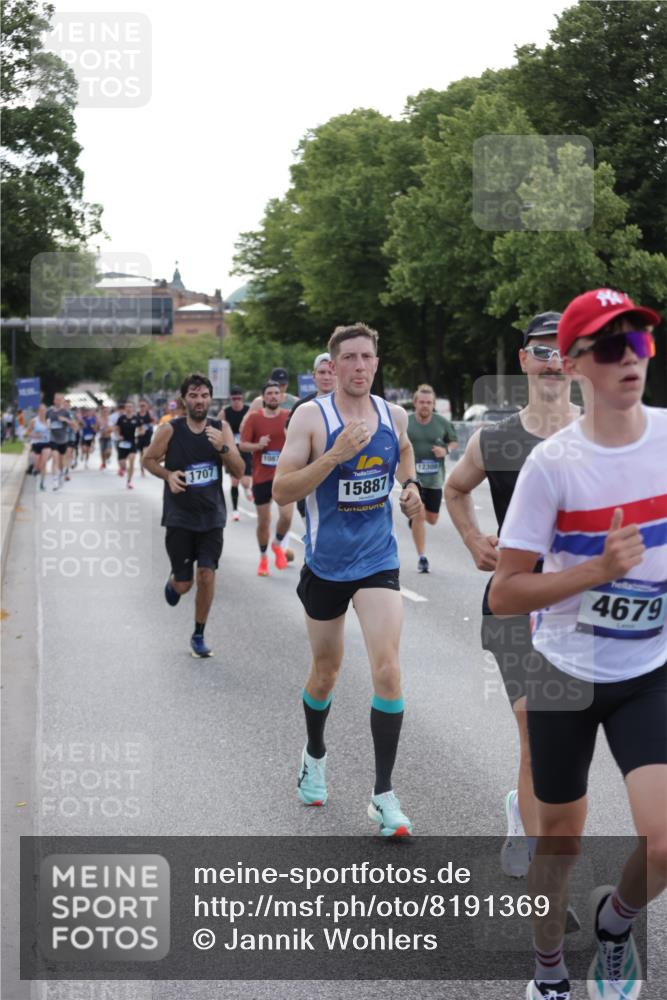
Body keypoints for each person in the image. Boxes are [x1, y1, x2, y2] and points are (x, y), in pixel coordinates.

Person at [489, 289, 665, 1000]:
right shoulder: (552, 466)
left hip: (648, 670)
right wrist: (597, 570)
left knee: (663, 840)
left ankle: (615, 925)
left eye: (640, 342)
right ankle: (548, 971)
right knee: (558, 840)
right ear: (575, 364)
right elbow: (504, 593)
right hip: (563, 670)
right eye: (610, 346)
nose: (630, 358)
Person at [273, 322, 423, 837]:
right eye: (349, 358)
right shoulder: (311, 418)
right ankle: (314, 753)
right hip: (326, 565)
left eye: (367, 357)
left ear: (376, 364)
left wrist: (409, 486)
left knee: (387, 670)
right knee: (327, 672)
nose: (359, 366)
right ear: (333, 366)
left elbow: (403, 451)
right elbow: (281, 491)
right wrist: (334, 455)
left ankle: (383, 795)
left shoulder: (392, 414)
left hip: (379, 560)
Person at [445, 312, 580, 878]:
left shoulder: (601, 434)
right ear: (523, 359)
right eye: (540, 351)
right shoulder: (495, 438)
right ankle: (547, 877)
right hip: (517, 608)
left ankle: (523, 816)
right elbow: (454, 488)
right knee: (536, 736)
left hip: (584, 613)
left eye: (562, 351)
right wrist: (475, 538)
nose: (551, 361)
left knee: (568, 750)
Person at [143, 373, 244, 657]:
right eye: (194, 396)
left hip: (212, 517)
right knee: (185, 584)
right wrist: (167, 474)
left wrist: (222, 447)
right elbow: (148, 460)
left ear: (210, 399)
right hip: (180, 518)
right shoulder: (170, 430)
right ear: (184, 399)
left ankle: (198, 634)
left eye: (204, 396)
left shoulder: (220, 428)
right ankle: (175, 582)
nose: (199, 401)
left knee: (207, 575)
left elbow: (238, 471)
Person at [240, 381, 293, 575]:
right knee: (263, 522)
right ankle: (263, 559)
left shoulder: (288, 417)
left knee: (287, 517)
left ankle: (277, 545)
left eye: (276, 393)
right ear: (263, 398)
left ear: (281, 397)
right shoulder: (254, 418)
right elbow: (243, 445)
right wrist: (258, 445)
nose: (273, 396)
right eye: (269, 393)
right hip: (261, 476)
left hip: (284, 476)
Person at [407, 383, 458, 573]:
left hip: (435, 479)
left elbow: (453, 442)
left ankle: (415, 521)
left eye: (429, 402)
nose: (425, 406)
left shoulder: (442, 423)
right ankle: (422, 558)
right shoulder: (407, 422)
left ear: (434, 404)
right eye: (421, 402)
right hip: (413, 478)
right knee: (419, 514)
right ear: (415, 403)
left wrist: (445, 450)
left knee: (432, 518)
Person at [288, 352, 337, 521]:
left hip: (342, 485)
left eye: (331, 372)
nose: (327, 377)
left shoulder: (350, 406)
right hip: (310, 484)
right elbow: (289, 440)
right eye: (322, 372)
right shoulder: (302, 408)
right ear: (314, 376)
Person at [221, 386, 252, 521]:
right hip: (232, 451)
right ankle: (235, 510)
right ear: (230, 399)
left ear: (242, 399)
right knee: (234, 482)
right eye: (234, 399)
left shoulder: (248, 410)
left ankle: (247, 489)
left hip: (245, 449)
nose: (236, 402)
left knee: (245, 482)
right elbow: (217, 426)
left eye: (239, 399)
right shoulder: (225, 412)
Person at [46, 393, 77, 490]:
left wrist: (66, 420)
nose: (58, 401)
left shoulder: (66, 412)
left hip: (63, 440)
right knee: (55, 458)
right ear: (54, 400)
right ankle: (55, 481)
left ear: (62, 401)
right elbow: (45, 421)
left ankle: (61, 475)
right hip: (53, 439)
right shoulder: (49, 411)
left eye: (60, 400)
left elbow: (74, 426)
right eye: (56, 399)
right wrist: (47, 426)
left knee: (61, 462)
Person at [115, 401, 140, 488]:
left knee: (132, 460)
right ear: (125, 409)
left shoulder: (136, 418)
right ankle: (122, 469)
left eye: (130, 407)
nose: (129, 408)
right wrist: (118, 436)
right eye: (127, 407)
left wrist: (140, 433)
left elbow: (141, 429)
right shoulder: (121, 418)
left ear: (133, 408)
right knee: (122, 463)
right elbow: (116, 428)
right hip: (122, 442)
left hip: (132, 442)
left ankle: (129, 481)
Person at [27, 403, 52, 490]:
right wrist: (35, 436)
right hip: (36, 444)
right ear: (38, 411)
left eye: (44, 410)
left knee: (44, 462)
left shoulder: (48, 421)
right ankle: (36, 469)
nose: (43, 412)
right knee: (38, 465)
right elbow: (28, 433)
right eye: (41, 410)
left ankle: (42, 483)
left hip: (46, 444)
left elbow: (51, 433)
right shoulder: (34, 421)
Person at [135, 399, 154, 476]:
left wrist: (148, 426)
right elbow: (135, 426)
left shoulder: (149, 414)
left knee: (146, 453)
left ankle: (145, 466)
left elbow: (155, 422)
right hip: (140, 436)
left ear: (147, 406)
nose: (142, 407)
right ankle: (142, 469)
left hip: (148, 436)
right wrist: (140, 429)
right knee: (141, 454)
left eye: (143, 406)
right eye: (140, 406)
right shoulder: (137, 415)